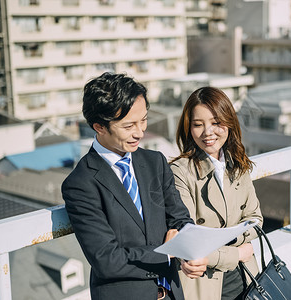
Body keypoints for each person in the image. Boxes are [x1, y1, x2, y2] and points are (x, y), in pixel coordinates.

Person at [62, 72, 207, 300]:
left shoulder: (155, 162)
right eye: (128, 125)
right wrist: (167, 253)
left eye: (144, 120)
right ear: (99, 126)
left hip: (173, 293)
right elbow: (107, 260)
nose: (139, 132)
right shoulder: (81, 184)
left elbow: (180, 219)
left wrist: (189, 252)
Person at [170, 86, 263, 300]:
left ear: (229, 123)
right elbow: (189, 241)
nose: (207, 132)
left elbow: (256, 220)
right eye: (198, 125)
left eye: (216, 122)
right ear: (188, 128)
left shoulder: (237, 163)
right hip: (206, 282)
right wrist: (237, 253)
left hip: (247, 274)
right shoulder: (180, 171)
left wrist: (218, 245)